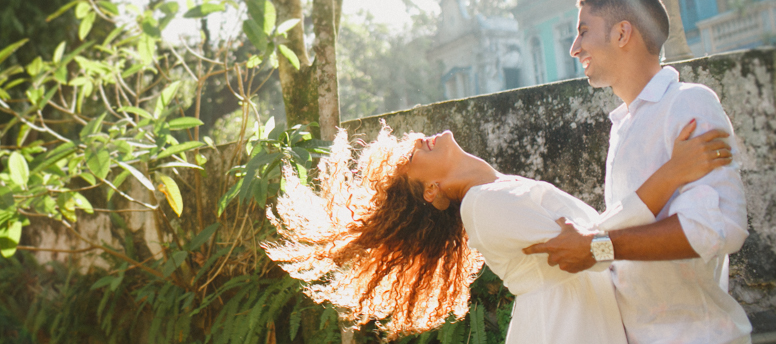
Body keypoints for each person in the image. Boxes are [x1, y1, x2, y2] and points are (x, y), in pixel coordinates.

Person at [264, 120, 731, 342]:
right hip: (563, 330)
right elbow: (592, 242)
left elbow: (596, 240)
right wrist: (673, 173)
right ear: (432, 190)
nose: (418, 141)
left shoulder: (498, 190)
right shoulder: (485, 206)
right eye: (411, 159)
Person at [522, 0, 751, 344]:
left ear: (622, 33)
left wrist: (596, 246)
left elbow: (716, 228)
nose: (574, 48)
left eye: (583, 31)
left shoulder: (688, 104)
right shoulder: (622, 127)